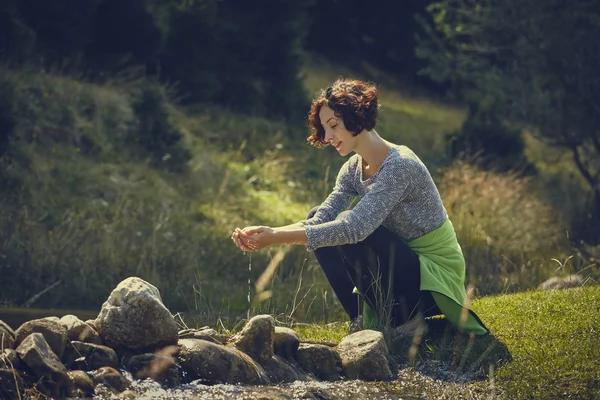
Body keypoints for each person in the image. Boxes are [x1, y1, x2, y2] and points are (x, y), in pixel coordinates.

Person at [231, 78, 489, 336]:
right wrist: (270, 232)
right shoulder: (352, 170)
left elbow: (355, 228)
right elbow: (319, 220)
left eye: (333, 125)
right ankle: (360, 319)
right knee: (317, 216)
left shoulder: (400, 165)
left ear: (357, 115)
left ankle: (405, 322)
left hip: (432, 277)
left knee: (350, 224)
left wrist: (276, 237)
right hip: (402, 267)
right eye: (324, 129)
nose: (328, 137)